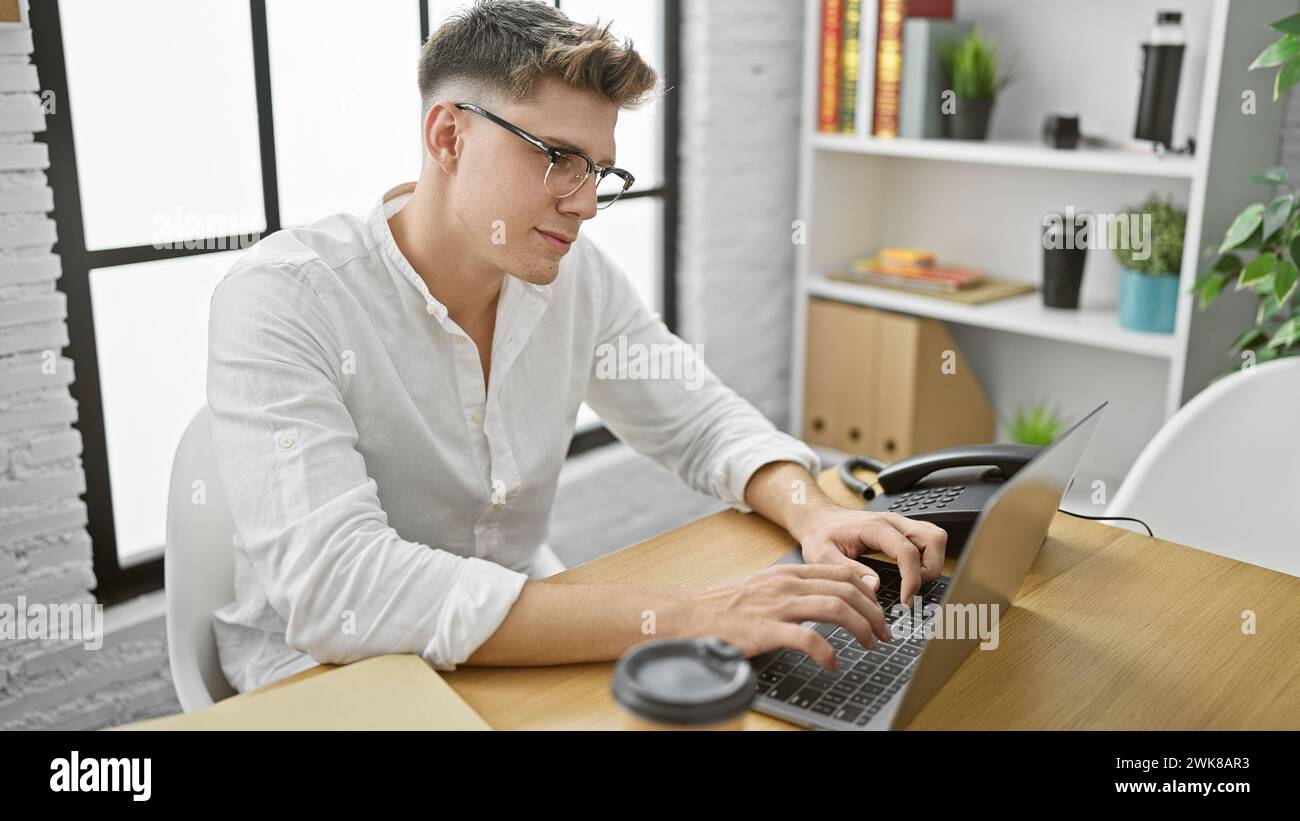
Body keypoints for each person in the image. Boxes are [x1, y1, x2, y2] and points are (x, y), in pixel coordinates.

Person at [207, 0, 945, 693]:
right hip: (325, 668)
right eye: (556, 155)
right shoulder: (284, 297)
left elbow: (696, 417)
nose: (586, 203)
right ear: (447, 136)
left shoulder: (568, 274)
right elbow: (341, 587)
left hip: (519, 624)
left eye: (597, 169)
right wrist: (690, 610)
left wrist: (810, 509)